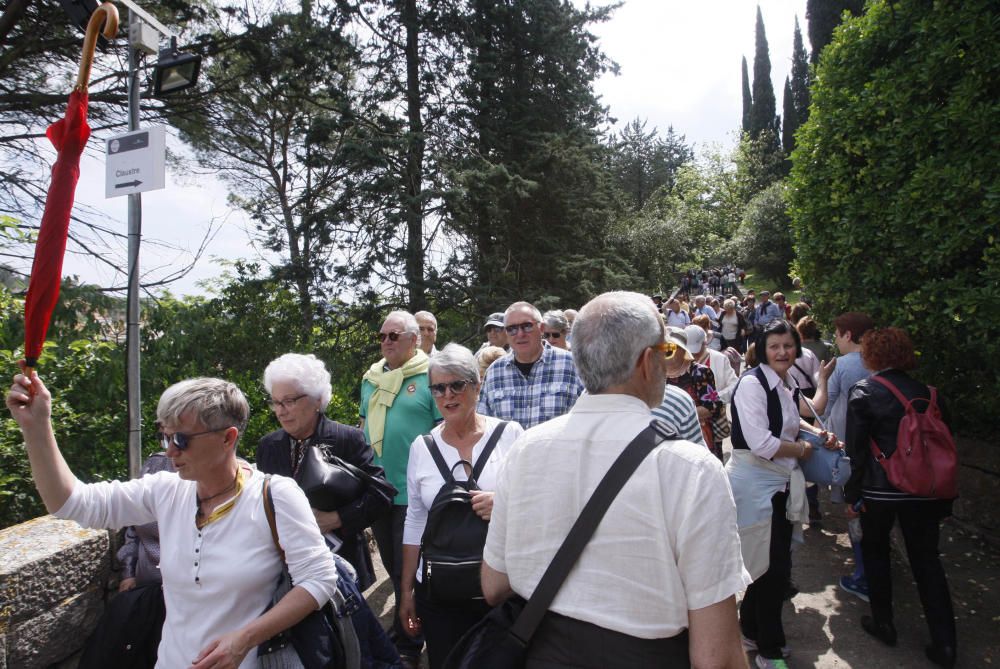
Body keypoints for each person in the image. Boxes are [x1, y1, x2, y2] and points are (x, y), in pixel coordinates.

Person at [481, 291, 751, 668]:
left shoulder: (525, 450)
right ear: (646, 361)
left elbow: (493, 585)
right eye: (665, 351)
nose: (666, 361)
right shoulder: (691, 469)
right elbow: (717, 659)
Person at [6, 371, 340, 668]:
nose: (169, 451)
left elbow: (319, 579)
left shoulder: (275, 495)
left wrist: (243, 640)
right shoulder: (166, 491)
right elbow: (72, 503)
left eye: (181, 439)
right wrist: (37, 428)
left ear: (228, 438)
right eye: (165, 436)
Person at [398, 344, 524, 668]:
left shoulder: (510, 435)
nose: (447, 395)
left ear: (477, 385)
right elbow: (415, 520)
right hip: (441, 591)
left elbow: (535, 504)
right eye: (438, 387)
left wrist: (505, 504)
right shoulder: (422, 447)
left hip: (500, 587)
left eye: (457, 385)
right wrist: (407, 590)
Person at [726, 319, 839, 669]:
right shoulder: (752, 384)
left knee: (773, 565)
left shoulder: (785, 381)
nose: (782, 352)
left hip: (780, 483)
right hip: (756, 485)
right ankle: (769, 649)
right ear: (762, 348)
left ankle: (752, 630)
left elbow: (796, 418)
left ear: (797, 348)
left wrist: (819, 436)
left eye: (788, 346)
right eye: (774, 346)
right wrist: (804, 451)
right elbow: (761, 443)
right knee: (770, 568)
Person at [844, 328, 957, 668]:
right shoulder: (929, 393)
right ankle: (946, 643)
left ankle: (884, 623)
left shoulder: (864, 392)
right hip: (925, 490)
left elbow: (857, 450)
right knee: (926, 561)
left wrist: (852, 495)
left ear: (871, 356)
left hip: (880, 489)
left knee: (877, 553)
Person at [258, 353, 390, 591]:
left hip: (341, 565)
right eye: (276, 402)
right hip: (289, 567)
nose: (281, 411)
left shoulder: (347, 438)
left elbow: (381, 495)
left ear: (317, 400)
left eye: (289, 401)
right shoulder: (268, 446)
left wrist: (337, 519)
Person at [361, 310, 442, 666]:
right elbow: (363, 424)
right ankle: (405, 627)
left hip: (415, 492)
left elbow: (443, 429)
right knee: (394, 566)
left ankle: (410, 642)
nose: (386, 342)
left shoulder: (431, 375)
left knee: (412, 569)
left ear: (415, 340)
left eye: (394, 336)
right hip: (379, 487)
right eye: (382, 336)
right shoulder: (371, 378)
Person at [812, 311, 875, 601]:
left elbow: (824, 406)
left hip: (847, 444)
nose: (836, 340)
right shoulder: (881, 361)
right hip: (881, 448)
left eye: (837, 334)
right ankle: (877, 565)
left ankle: (864, 574)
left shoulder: (841, 366)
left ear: (848, 334)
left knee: (854, 508)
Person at [477, 301, 584, 428]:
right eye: (512, 329)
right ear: (506, 333)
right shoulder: (494, 373)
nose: (520, 334)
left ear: (542, 328)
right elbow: (483, 426)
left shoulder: (573, 365)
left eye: (527, 326)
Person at [664, 324, 726, 459]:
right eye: (662, 347)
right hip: (668, 441)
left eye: (670, 347)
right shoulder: (657, 374)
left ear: (682, 350)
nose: (665, 351)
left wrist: (677, 416)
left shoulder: (699, 372)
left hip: (700, 437)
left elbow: (713, 407)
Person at [652, 327, 709, 448]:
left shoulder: (699, 372)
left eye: (671, 350)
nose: (667, 355)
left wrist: (686, 415)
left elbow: (712, 406)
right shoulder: (676, 398)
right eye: (666, 349)